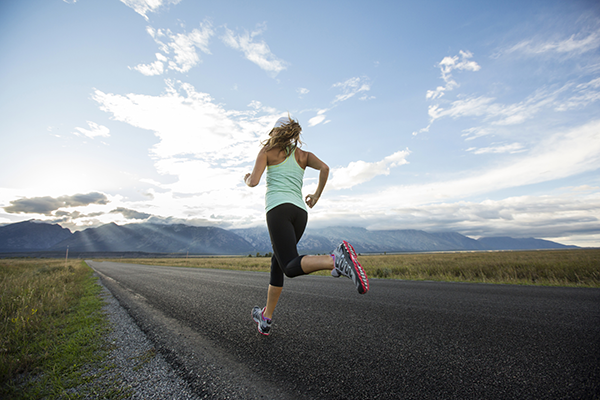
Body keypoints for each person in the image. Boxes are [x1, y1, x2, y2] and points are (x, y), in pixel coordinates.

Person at [244, 115, 369, 336]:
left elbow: (253, 182)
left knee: (290, 267)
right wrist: (316, 196)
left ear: (275, 132)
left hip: (278, 210)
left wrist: (246, 178)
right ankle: (266, 317)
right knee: (278, 262)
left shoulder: (267, 152)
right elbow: (325, 168)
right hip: (299, 213)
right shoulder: (303, 155)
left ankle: (335, 259)